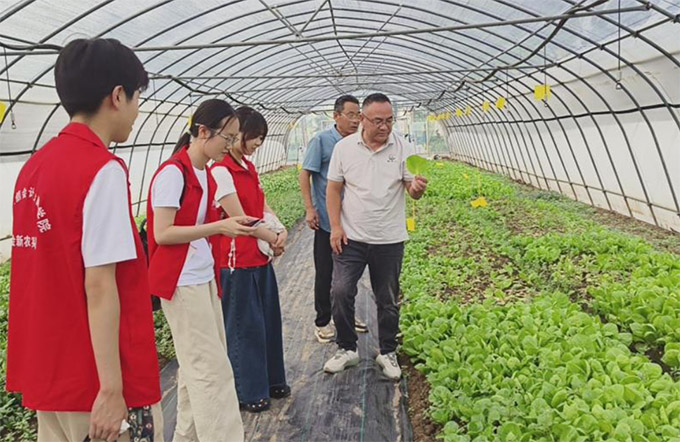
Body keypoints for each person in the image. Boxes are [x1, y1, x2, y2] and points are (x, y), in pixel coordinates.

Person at [6, 38, 163, 442]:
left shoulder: (33, 169)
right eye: (137, 97)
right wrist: (111, 390)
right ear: (117, 96)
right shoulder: (101, 169)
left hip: (51, 375)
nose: (137, 110)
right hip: (95, 388)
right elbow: (99, 285)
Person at [147, 99, 255, 441]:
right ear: (203, 132)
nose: (231, 145)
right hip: (182, 281)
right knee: (212, 372)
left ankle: (186, 436)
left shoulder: (204, 173)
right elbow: (162, 233)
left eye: (235, 138)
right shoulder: (173, 173)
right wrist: (219, 227)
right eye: (228, 137)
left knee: (198, 367)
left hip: (203, 276)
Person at [323, 93, 428, 380]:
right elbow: (333, 189)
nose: (384, 127)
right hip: (352, 237)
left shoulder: (403, 147)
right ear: (362, 119)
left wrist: (417, 189)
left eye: (389, 120)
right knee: (340, 291)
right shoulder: (344, 148)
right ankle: (347, 348)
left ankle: (387, 351)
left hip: (389, 238)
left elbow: (412, 190)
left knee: (387, 298)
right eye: (378, 121)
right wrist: (335, 226)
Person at [212, 106, 289, 413]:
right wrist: (272, 238)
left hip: (258, 258)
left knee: (268, 322)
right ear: (237, 133)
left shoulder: (247, 166)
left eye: (262, 138)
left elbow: (261, 204)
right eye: (255, 136)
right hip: (236, 262)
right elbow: (239, 218)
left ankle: (272, 382)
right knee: (244, 327)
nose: (258, 143)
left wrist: (280, 229)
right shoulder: (221, 171)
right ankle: (248, 391)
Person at [298, 94, 368, 343]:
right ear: (336, 115)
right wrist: (310, 209)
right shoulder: (321, 141)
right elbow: (305, 174)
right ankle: (323, 320)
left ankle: (346, 315)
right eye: (350, 115)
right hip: (328, 221)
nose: (355, 120)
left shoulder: (360, 142)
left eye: (358, 115)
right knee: (325, 272)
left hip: (353, 221)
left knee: (350, 273)